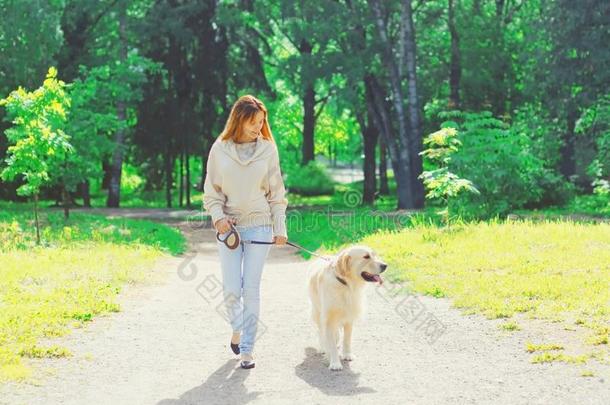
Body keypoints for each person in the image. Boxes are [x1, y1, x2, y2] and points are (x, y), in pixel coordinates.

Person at [202, 95, 288, 370]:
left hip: (260, 226)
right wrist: (218, 219)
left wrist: (279, 227)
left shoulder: (268, 150)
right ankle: (237, 328)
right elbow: (211, 193)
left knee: (250, 289)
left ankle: (247, 350)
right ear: (239, 120)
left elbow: (277, 193)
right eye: (253, 122)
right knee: (230, 291)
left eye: (262, 122)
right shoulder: (220, 148)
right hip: (229, 230)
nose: (258, 127)